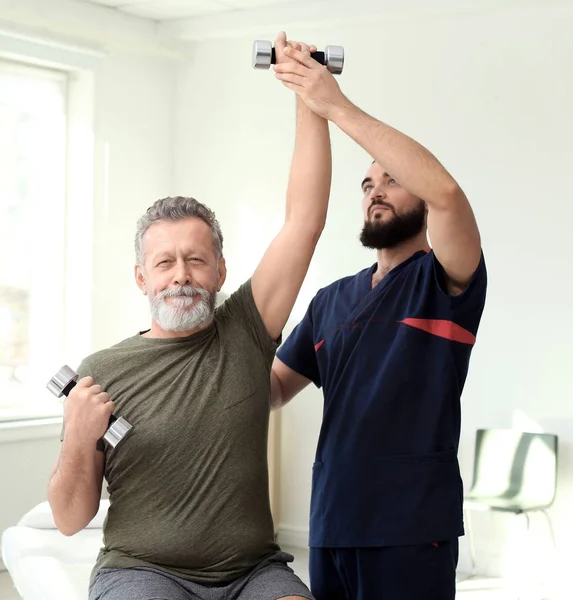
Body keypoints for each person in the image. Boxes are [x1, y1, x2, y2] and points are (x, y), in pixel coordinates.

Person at [48, 34, 331, 600]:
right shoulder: (100, 371)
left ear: (220, 270)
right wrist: (80, 438)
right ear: (142, 278)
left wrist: (309, 92)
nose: (181, 275)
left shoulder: (246, 330)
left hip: (253, 571)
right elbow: (70, 519)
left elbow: (305, 219)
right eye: (165, 262)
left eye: (196, 260)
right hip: (141, 572)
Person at [271, 46, 487, 600]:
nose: (376, 192)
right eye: (368, 185)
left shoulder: (446, 281)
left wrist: (333, 104)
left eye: (391, 179)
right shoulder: (330, 300)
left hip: (411, 528)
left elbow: (446, 192)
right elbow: (271, 389)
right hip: (334, 522)